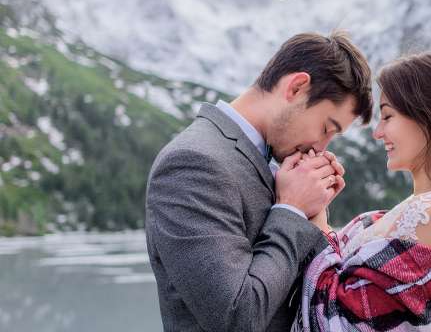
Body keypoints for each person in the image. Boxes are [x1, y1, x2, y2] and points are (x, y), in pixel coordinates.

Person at [145, 31, 372, 331]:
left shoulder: (267, 164)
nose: (321, 148)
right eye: (326, 128)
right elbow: (237, 317)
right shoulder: (192, 163)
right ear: (297, 87)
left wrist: (312, 214)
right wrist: (291, 210)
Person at [293, 51, 431, 331]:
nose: (378, 132)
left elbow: (343, 323)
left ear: (429, 116)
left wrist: (316, 223)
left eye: (387, 116)